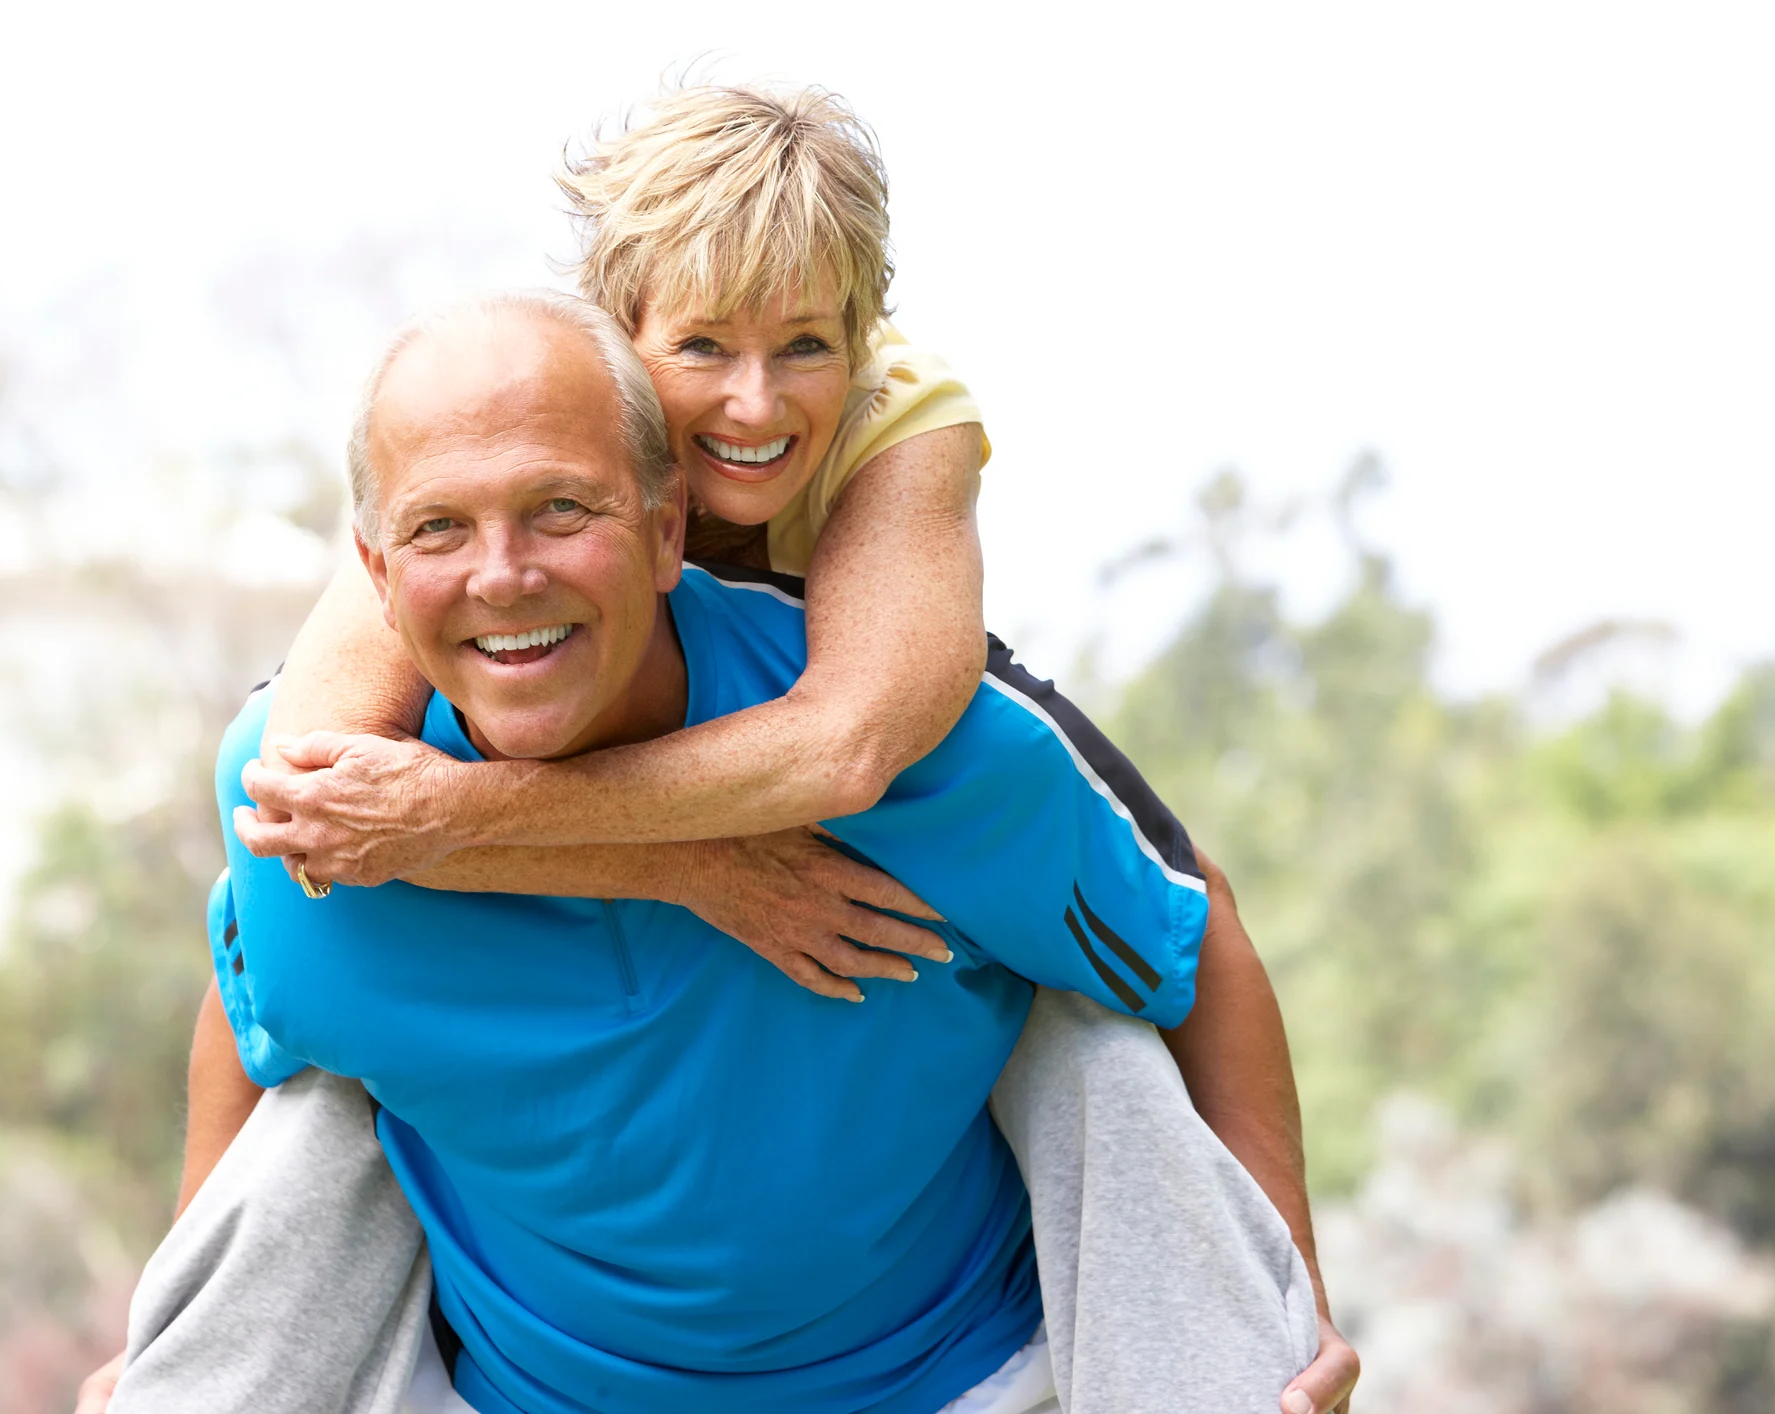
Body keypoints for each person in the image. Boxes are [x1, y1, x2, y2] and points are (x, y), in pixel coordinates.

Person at [227, 85, 1356, 1403]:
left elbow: (847, 749)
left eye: (806, 344)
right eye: (703, 345)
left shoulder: (900, 428)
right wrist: (684, 869)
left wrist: (1296, 1306)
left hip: (851, 691)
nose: (754, 402)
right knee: (317, 1021)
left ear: (861, 340)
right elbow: (302, 819)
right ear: (616, 328)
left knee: (1088, 1001)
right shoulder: (518, 456)